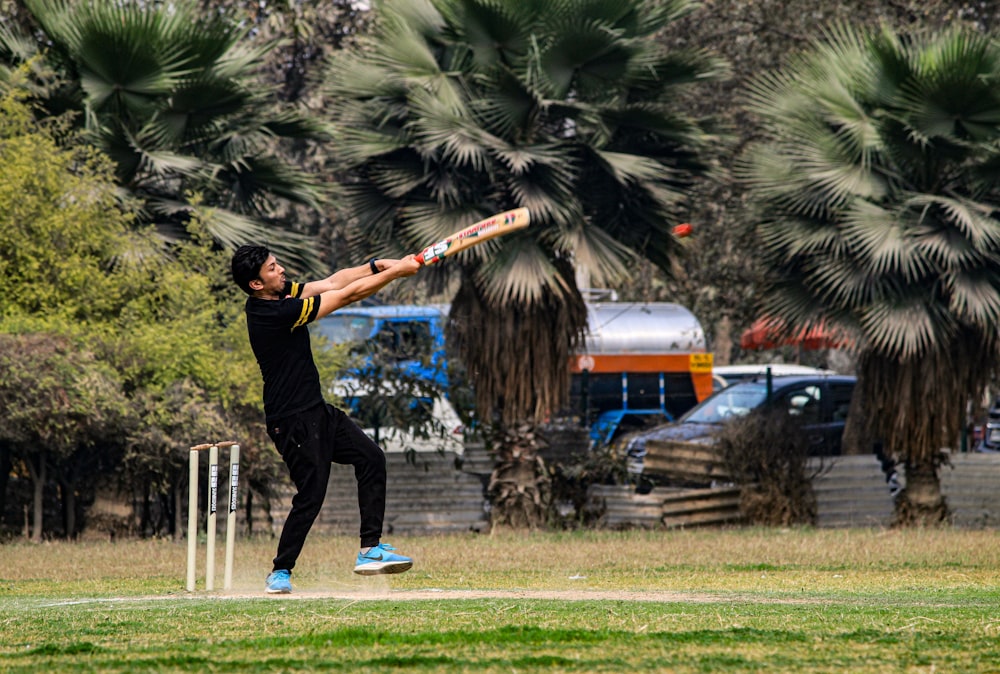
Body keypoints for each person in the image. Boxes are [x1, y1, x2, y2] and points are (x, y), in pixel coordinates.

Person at [231, 244, 422, 594]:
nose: (281, 270)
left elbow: (332, 281)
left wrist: (376, 264)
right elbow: (344, 297)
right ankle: (280, 572)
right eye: (273, 268)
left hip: (317, 411)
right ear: (256, 284)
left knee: (371, 457)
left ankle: (369, 550)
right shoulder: (274, 313)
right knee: (312, 494)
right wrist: (395, 274)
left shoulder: (279, 295)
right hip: (292, 420)